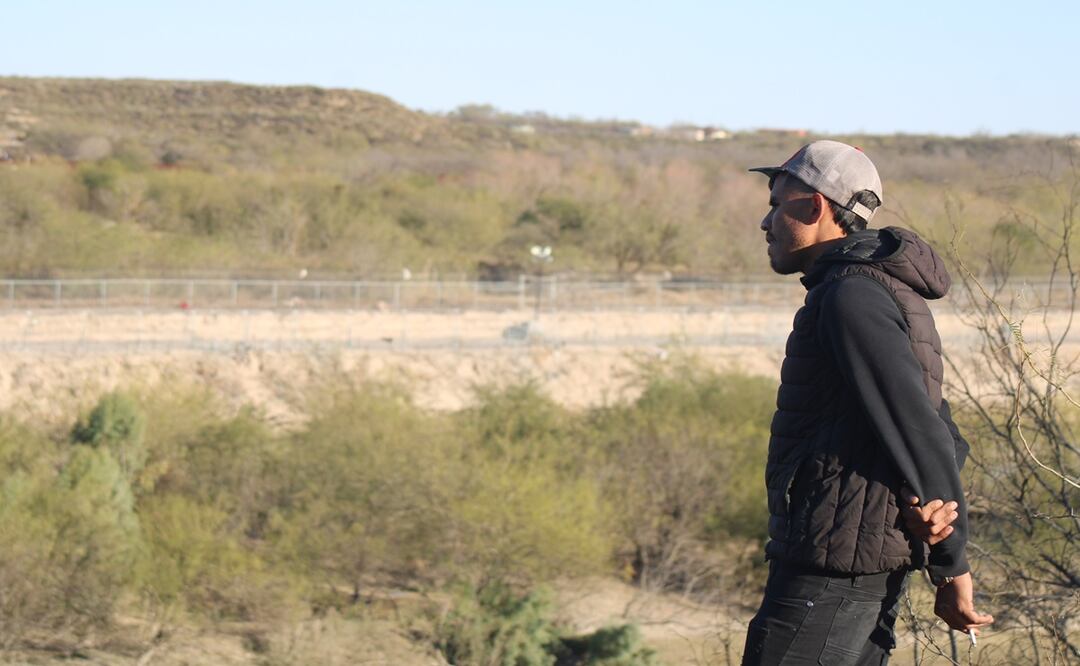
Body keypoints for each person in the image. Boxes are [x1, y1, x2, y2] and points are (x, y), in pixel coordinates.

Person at [741, 141, 993, 665]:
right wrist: (943, 550)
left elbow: (919, 428)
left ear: (814, 207)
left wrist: (951, 562)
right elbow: (943, 432)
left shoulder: (850, 295)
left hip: (830, 574)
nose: (765, 223)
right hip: (851, 564)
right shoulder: (874, 289)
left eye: (775, 204)